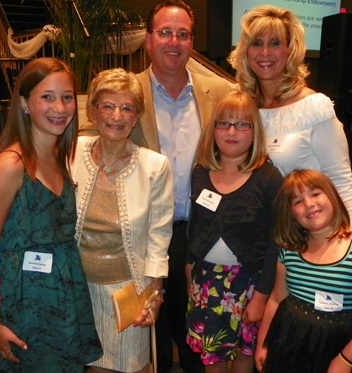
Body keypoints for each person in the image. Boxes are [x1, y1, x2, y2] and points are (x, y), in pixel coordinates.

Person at [80, 2, 235, 372]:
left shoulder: (221, 91)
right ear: (148, 40)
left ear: (191, 41)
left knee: (199, 333)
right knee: (153, 332)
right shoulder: (127, 94)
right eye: (165, 32)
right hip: (147, 236)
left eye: (182, 34)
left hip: (204, 233)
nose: (173, 41)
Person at [0, 57, 103, 373]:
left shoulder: (59, 157)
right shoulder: (11, 166)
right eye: (47, 97)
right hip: (26, 307)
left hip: (65, 300)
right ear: (25, 103)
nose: (60, 107)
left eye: (67, 97)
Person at [71, 68, 174, 373]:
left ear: (136, 115)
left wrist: (155, 295)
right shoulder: (71, 155)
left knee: (130, 366)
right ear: (92, 111)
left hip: (127, 295)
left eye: (127, 107)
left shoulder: (154, 166)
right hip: (79, 292)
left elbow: (158, 236)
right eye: (108, 105)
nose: (117, 115)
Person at [228, 5, 352, 234]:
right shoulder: (244, 109)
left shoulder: (314, 107)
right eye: (257, 43)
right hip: (258, 239)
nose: (265, 52)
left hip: (309, 237)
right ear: (246, 52)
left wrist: (349, 248)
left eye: (275, 43)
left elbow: (341, 180)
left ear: (290, 50)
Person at [255, 169, 352, 373]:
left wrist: (344, 361)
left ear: (333, 196)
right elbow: (276, 299)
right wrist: (262, 344)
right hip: (286, 340)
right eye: (297, 201)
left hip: (334, 347)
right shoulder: (289, 248)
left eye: (315, 193)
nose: (309, 204)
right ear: (291, 214)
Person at [185, 91, 283, 373]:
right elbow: (196, 230)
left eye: (242, 124)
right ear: (212, 129)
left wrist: (262, 296)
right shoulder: (201, 172)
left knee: (244, 352)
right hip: (206, 281)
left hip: (250, 283)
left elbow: (275, 242)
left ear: (255, 131)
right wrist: (190, 274)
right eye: (223, 123)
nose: (231, 131)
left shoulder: (268, 178)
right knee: (211, 353)